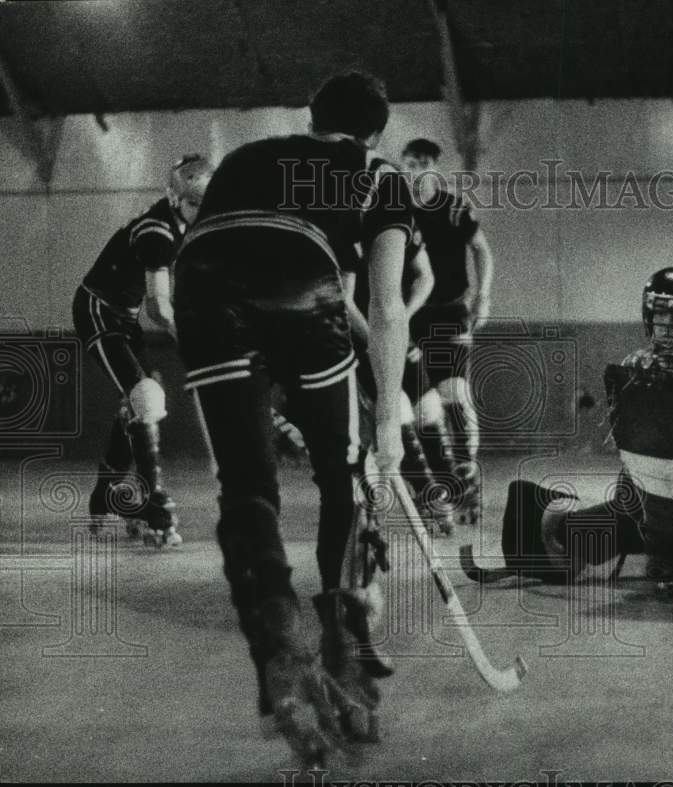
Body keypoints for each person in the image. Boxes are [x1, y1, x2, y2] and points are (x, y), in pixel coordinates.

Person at [172, 71, 412, 765]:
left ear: (311, 119)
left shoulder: (249, 156)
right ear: (374, 133)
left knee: (247, 487)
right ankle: (343, 642)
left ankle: (278, 637)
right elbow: (386, 305)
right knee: (344, 474)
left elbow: (251, 245)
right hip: (305, 281)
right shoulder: (377, 171)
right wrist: (388, 421)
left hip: (204, 281)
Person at [462, 267, 673, 601]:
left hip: (651, 519)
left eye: (672, 313)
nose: (668, 322)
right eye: (664, 312)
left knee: (584, 518)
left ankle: (581, 536)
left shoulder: (631, 366)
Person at [73, 154, 212, 548]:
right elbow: (159, 306)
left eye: (206, 202)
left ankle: (107, 493)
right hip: (98, 310)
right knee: (146, 397)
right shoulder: (159, 232)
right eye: (193, 202)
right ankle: (153, 497)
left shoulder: (183, 225)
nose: (200, 210)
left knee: (143, 399)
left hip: (124, 316)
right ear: (175, 197)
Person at [400, 139, 495, 524]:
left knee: (453, 394)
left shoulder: (453, 207)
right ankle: (440, 485)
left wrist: (483, 296)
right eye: (408, 163)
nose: (413, 169)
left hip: (450, 312)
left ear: (434, 168)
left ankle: (467, 475)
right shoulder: (398, 211)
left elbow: (483, 250)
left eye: (421, 163)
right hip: (412, 316)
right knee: (424, 407)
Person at [343, 230, 462, 535]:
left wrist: (403, 319)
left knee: (430, 409)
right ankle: (427, 493)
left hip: (398, 333)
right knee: (399, 410)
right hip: (363, 338)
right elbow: (345, 298)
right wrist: (377, 339)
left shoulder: (402, 226)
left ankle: (448, 487)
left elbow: (426, 277)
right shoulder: (352, 228)